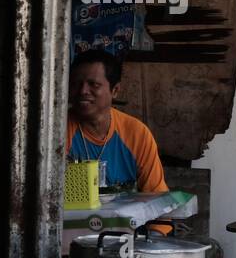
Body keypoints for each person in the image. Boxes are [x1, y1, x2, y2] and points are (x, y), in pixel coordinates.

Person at [66, 49, 167, 196]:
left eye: (93, 84)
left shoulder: (137, 134)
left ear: (115, 90)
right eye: (76, 84)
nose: (83, 91)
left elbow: (157, 199)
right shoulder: (58, 131)